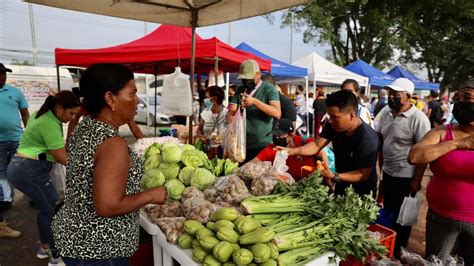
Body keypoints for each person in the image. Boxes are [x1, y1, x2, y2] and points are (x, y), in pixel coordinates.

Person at [51, 64, 167, 265]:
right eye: (132, 93)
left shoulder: (85, 125)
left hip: (76, 237)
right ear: (110, 98)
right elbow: (108, 206)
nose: (137, 100)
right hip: (101, 248)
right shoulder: (112, 144)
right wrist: (152, 195)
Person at [6, 90, 80, 265]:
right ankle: (55, 257)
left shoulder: (41, 114)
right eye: (71, 113)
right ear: (60, 108)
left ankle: (44, 248)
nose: (72, 118)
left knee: (47, 208)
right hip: (29, 169)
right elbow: (61, 157)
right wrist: (87, 168)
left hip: (21, 168)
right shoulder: (50, 123)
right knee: (52, 210)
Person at [408, 78, 474, 265]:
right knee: (438, 262)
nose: (461, 103)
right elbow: (415, 155)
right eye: (458, 98)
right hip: (441, 219)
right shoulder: (442, 133)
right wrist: (459, 143)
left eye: (467, 98)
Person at [279, 90, 380, 197]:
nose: (330, 120)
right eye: (329, 116)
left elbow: (362, 174)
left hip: (362, 193)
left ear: (351, 115)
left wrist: (334, 176)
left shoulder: (368, 139)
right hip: (341, 184)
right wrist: (292, 151)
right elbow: (316, 145)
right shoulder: (334, 125)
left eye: (334, 116)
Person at [373, 78, 430, 256]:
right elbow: (381, 140)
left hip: (407, 177)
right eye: (390, 94)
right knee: (388, 212)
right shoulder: (386, 112)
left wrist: (417, 179)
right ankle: (387, 247)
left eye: (396, 95)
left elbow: (424, 152)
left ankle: (399, 252)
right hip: (389, 173)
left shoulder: (418, 118)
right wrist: (382, 172)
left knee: (403, 218)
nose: (391, 98)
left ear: (408, 97)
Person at [227, 59, 281, 163]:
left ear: (258, 74)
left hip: (262, 144)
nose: (246, 82)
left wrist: (255, 102)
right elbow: (230, 113)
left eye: (249, 78)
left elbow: (277, 113)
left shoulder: (269, 89)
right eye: (244, 79)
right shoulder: (241, 89)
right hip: (241, 144)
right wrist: (231, 131)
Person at [0, 63, 29, 239]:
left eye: (4, 74)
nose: (2, 77)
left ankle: (33, 198)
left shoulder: (15, 92)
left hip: (18, 139)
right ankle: (3, 209)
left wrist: (29, 136)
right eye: (0, 74)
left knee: (24, 170)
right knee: (1, 175)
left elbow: (25, 114)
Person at [251, 118, 329, 182]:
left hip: (312, 183)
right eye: (274, 135)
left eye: (279, 135)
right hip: (292, 186)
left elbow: (321, 154)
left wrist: (327, 177)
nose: (276, 137)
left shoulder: (305, 143)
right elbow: (255, 161)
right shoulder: (273, 148)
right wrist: (267, 171)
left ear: (291, 136)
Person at [67, 87, 144, 143]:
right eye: (132, 93)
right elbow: (75, 119)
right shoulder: (88, 106)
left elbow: (133, 126)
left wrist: (145, 145)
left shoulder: (122, 109)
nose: (137, 100)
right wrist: (69, 141)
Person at [196, 86, 228, 159]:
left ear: (214, 99)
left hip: (222, 152)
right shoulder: (205, 112)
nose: (205, 99)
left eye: (206, 97)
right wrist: (201, 136)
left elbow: (231, 133)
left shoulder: (226, 114)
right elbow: (199, 129)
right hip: (206, 151)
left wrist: (221, 139)